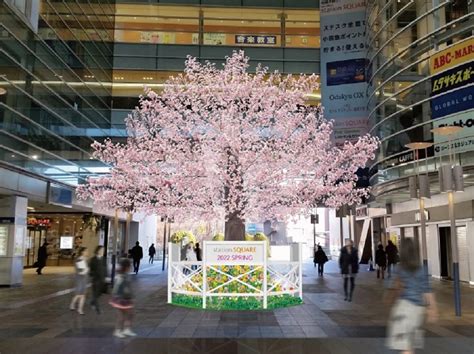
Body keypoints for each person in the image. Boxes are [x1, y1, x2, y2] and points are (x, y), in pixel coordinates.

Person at [385, 238, 438, 354]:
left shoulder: (398, 269)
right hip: (418, 310)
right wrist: (433, 309)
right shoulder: (422, 269)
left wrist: (390, 298)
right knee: (409, 346)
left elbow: (391, 287)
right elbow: (427, 290)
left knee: (405, 347)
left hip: (403, 309)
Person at [110, 258, 136, 338]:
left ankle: (126, 329)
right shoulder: (121, 276)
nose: (131, 267)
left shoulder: (126, 275)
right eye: (130, 266)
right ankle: (117, 330)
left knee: (130, 314)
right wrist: (115, 296)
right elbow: (116, 287)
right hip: (121, 299)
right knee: (121, 315)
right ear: (127, 267)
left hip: (126, 298)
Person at [69, 247, 89, 315]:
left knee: (82, 294)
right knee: (78, 294)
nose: (87, 252)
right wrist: (87, 269)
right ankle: (73, 305)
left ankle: (79, 309)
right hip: (80, 279)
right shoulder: (80, 260)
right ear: (82, 252)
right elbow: (82, 271)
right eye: (86, 251)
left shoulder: (83, 259)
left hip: (83, 279)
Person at [89, 245, 106, 314]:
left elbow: (105, 269)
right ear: (98, 251)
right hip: (96, 280)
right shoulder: (93, 259)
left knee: (99, 293)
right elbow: (91, 270)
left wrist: (107, 277)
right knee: (95, 294)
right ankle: (98, 309)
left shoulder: (104, 259)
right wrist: (93, 275)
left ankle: (92, 302)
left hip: (102, 279)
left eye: (103, 250)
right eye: (101, 250)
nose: (103, 252)